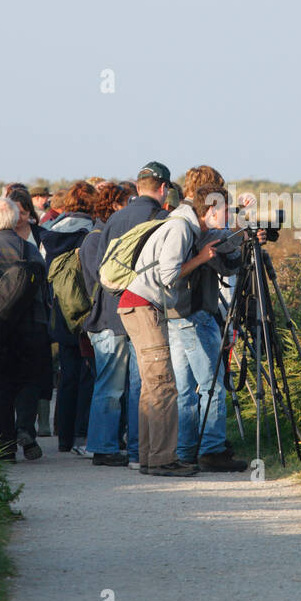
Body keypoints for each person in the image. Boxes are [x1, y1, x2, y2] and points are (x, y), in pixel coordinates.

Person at [119, 176, 234, 477]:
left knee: (153, 387)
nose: (228, 217)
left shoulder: (183, 224)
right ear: (209, 211)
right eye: (225, 211)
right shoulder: (181, 228)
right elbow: (168, 274)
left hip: (140, 305)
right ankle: (161, 460)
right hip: (144, 305)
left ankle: (149, 456)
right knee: (162, 385)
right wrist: (201, 258)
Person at [81, 164, 171, 470]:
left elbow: (101, 270)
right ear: (163, 189)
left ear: (138, 186)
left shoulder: (114, 219)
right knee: (141, 383)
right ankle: (137, 450)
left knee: (107, 384)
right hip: (143, 309)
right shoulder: (161, 219)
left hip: (110, 310)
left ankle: (102, 447)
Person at [166, 167, 252, 471]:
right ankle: (212, 450)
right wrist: (241, 234)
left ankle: (186, 450)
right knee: (214, 384)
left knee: (185, 389)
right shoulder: (188, 224)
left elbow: (222, 257)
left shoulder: (179, 217)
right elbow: (183, 268)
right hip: (193, 312)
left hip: (175, 313)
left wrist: (240, 234)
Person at [0, 198, 50, 462]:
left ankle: (5, 447)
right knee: (28, 381)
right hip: (32, 326)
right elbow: (43, 285)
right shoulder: (29, 249)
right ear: (15, 220)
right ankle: (25, 429)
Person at [38, 182, 97, 454]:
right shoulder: (93, 231)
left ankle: (63, 437)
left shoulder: (50, 232)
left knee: (67, 374)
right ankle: (82, 433)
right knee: (88, 374)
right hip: (86, 310)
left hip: (60, 309)